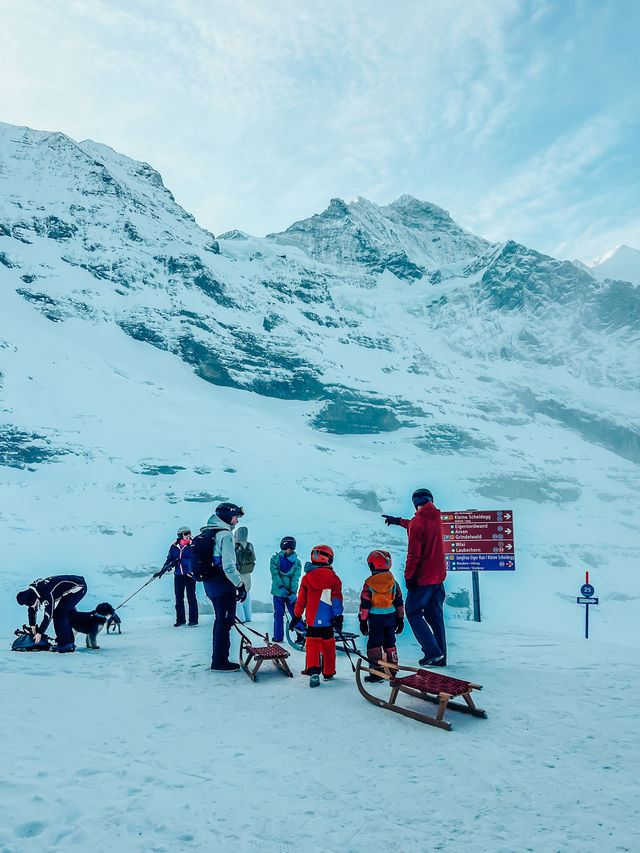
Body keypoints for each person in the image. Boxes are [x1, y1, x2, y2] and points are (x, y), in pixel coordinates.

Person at [382, 488, 447, 666]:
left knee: (412, 612)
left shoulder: (419, 521)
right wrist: (398, 522)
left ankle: (432, 652)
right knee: (435, 617)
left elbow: (413, 555)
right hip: (438, 579)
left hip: (423, 579)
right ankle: (441, 656)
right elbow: (415, 524)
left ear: (414, 503)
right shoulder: (436, 517)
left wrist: (408, 577)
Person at [196, 502, 247, 672]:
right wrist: (240, 585)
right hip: (223, 586)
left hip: (211, 585)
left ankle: (219, 659)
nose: (236, 521)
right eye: (235, 517)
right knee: (224, 623)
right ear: (227, 517)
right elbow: (229, 566)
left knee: (221, 621)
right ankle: (220, 661)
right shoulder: (225, 536)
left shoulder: (209, 532)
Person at [290, 545, 343, 688]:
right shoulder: (334, 578)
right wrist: (338, 616)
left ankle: (313, 671)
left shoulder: (307, 578)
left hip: (312, 620)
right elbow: (337, 599)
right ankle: (329, 672)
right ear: (328, 558)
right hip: (328, 620)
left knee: (312, 645)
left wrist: (296, 617)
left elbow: (301, 601)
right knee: (329, 646)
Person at [358, 550, 404, 682]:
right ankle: (393, 669)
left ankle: (376, 671)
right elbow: (399, 602)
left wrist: (363, 620)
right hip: (391, 617)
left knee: (374, 644)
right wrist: (400, 619)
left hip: (375, 619)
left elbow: (365, 605)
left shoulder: (369, 584)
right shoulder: (394, 583)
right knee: (390, 643)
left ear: (372, 565)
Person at [16, 575, 88, 653]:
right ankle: (65, 637)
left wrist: (40, 633)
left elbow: (48, 615)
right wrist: (32, 625)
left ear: (36, 598)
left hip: (79, 587)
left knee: (59, 614)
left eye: (35, 603)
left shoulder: (46, 593)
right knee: (63, 612)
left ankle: (67, 644)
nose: (35, 606)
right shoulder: (33, 592)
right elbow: (32, 608)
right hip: (70, 588)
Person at [155, 526, 198, 627]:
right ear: (180, 535)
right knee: (179, 598)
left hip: (189, 574)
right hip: (178, 575)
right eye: (185, 533)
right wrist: (163, 569)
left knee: (191, 597)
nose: (188, 536)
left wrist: (179, 561)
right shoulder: (174, 546)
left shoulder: (192, 545)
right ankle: (180, 620)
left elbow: (193, 559)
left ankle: (193, 620)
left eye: (189, 533)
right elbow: (169, 559)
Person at [270, 536, 302, 642]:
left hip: (278, 592)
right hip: (289, 594)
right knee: (295, 613)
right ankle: (301, 635)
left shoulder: (274, 559)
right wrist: (293, 592)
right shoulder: (297, 562)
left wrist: (280, 587)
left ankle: (278, 637)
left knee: (278, 614)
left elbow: (275, 574)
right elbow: (295, 578)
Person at [234, 525, 256, 622]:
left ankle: (240, 618)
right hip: (247, 572)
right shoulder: (250, 545)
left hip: (237, 572)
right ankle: (248, 617)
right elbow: (254, 558)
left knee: (238, 595)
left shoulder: (235, 544)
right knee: (247, 592)